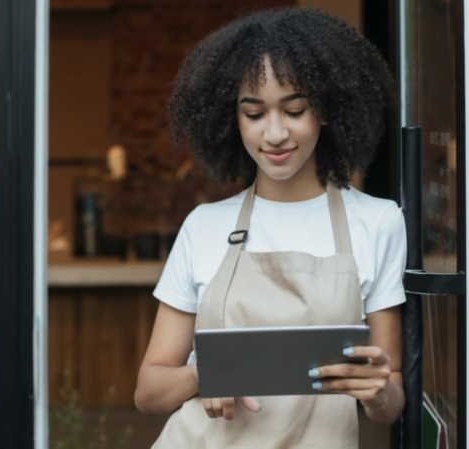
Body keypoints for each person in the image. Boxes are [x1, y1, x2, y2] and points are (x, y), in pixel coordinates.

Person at [134, 6, 406, 448]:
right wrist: (207, 375)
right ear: (232, 120)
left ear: (326, 110)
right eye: (254, 114)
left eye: (295, 109)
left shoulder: (378, 222)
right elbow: (149, 393)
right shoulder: (205, 226)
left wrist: (379, 392)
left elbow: (389, 402)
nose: (274, 133)